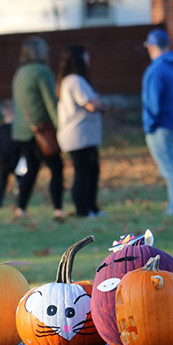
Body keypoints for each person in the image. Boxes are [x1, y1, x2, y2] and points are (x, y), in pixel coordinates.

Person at [11, 36, 65, 221]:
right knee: (56, 167)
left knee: (32, 169)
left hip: (20, 130)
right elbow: (50, 101)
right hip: (41, 130)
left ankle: (21, 207)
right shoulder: (42, 71)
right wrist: (61, 126)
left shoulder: (19, 73)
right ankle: (58, 208)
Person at [142, 29, 173, 216]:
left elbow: (152, 102)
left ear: (152, 46)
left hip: (162, 127)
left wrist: (149, 125)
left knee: (170, 169)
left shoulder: (156, 70)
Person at [56, 45, 105, 218]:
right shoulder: (75, 80)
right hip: (79, 136)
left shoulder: (69, 80)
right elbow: (91, 104)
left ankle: (92, 208)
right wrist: (101, 104)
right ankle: (83, 210)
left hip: (82, 137)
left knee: (91, 172)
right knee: (84, 173)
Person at [0, 100, 22, 208]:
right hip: (13, 160)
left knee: (2, 185)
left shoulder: (0, 130)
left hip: (4, 161)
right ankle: (20, 204)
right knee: (18, 183)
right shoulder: (17, 128)